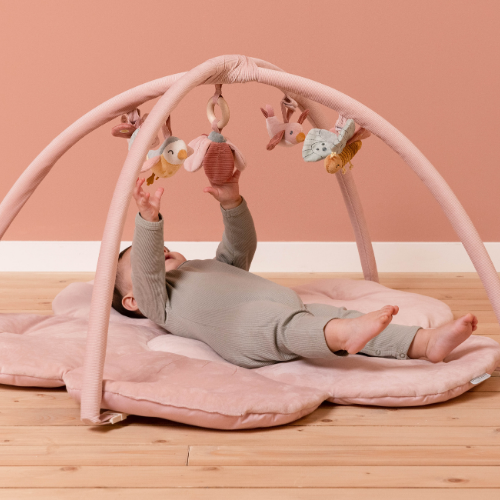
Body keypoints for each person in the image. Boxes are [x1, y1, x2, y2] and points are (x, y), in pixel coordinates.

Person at [112, 170, 478, 369]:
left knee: (340, 316)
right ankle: (344, 337)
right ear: (132, 301)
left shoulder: (206, 268)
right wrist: (148, 220)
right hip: (246, 332)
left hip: (290, 310)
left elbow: (240, 246)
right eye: (147, 255)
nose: (159, 250)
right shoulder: (159, 301)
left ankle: (423, 343)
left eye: (160, 247)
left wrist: (232, 203)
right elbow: (147, 275)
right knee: (315, 328)